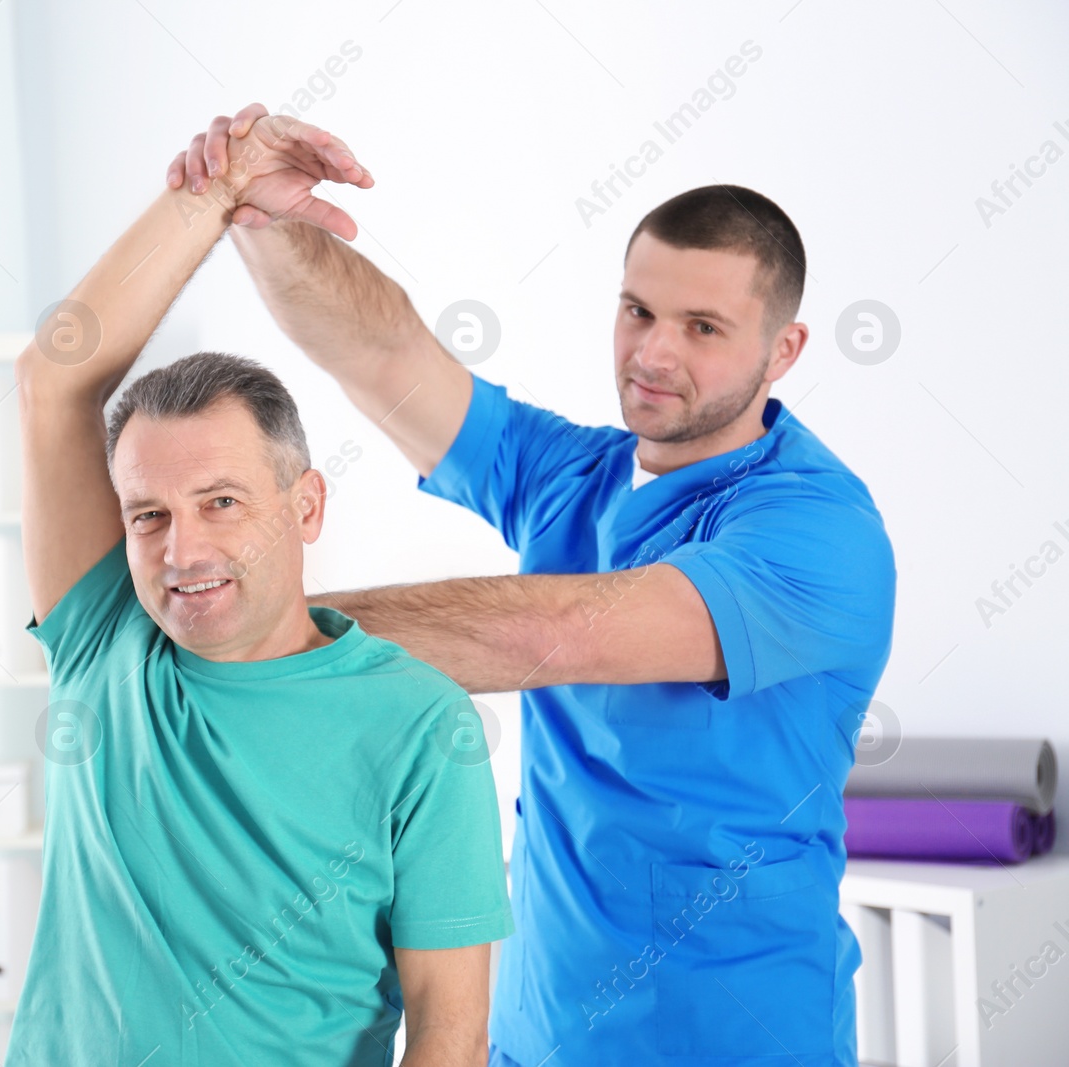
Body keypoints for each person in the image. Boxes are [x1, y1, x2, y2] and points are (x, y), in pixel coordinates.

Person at [170, 103, 897, 1067]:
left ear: (784, 351)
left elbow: (562, 631)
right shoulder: (579, 476)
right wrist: (260, 221)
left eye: (703, 326)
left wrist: (250, 630)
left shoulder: (818, 530)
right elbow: (386, 356)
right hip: (537, 1033)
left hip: (730, 1038)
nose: (653, 353)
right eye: (637, 309)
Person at [6, 112, 514, 1067]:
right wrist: (212, 191)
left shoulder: (421, 726)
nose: (179, 546)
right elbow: (52, 379)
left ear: (306, 505)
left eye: (222, 500)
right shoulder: (104, 637)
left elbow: (451, 1034)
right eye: (148, 513)